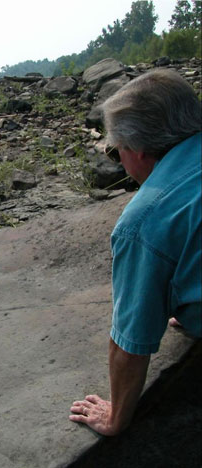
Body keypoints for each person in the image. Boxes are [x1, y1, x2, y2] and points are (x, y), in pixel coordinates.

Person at [69, 68, 202, 436]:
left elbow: (130, 343)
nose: (119, 160)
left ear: (139, 151)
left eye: (116, 150)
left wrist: (115, 419)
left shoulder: (145, 221)